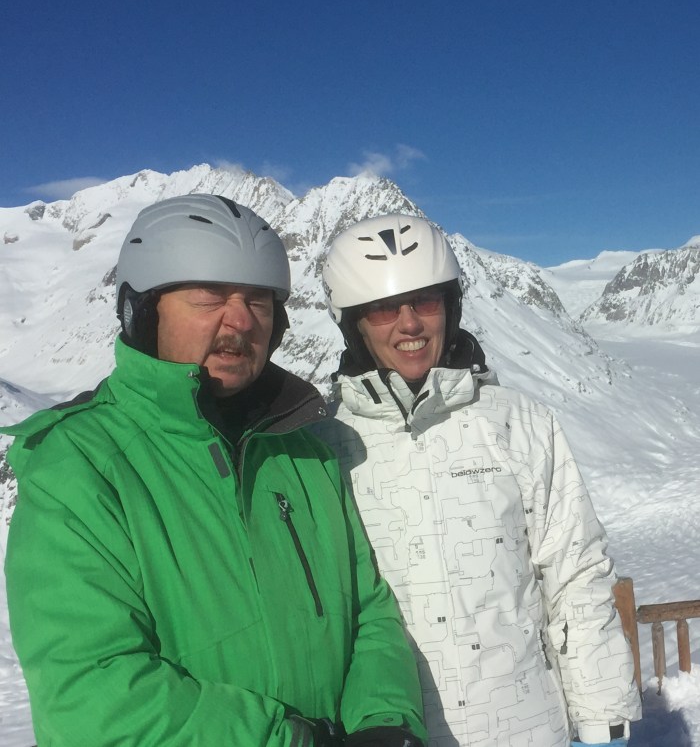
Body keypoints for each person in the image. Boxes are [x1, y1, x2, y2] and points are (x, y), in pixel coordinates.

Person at [2, 195, 427, 747]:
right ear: (143, 312)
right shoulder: (78, 465)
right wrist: (290, 740)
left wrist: (385, 721)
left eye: (258, 300)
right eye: (209, 296)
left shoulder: (303, 450)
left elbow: (368, 609)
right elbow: (90, 696)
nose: (241, 320)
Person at [314, 213, 642, 747]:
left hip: (527, 729)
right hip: (390, 733)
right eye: (383, 308)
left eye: (425, 301)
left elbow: (575, 572)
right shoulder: (324, 447)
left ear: (450, 307)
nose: (409, 324)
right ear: (355, 326)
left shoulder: (517, 421)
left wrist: (603, 722)